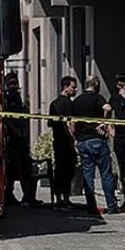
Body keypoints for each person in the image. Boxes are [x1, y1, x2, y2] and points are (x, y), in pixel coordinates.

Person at [73, 76, 122, 214]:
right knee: (106, 174)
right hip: (97, 140)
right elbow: (108, 107)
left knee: (88, 175)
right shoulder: (97, 97)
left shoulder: (77, 101)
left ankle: (91, 207)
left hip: (83, 141)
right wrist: (103, 121)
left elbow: (71, 123)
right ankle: (112, 206)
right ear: (96, 84)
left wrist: (75, 138)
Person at [1, 73, 37, 206]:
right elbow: (5, 116)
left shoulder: (17, 97)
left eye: (15, 83)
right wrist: (14, 130)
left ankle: (27, 196)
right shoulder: (6, 97)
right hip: (11, 139)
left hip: (21, 137)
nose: (13, 86)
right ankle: (11, 195)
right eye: (10, 83)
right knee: (14, 169)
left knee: (25, 167)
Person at [48, 76, 78, 209]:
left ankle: (58, 198)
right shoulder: (69, 104)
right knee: (68, 170)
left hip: (57, 141)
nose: (75, 89)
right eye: (73, 87)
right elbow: (70, 123)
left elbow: (51, 124)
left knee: (59, 169)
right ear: (65, 87)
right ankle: (65, 198)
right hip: (67, 142)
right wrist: (75, 139)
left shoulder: (53, 104)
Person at [110, 73, 125, 208]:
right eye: (119, 83)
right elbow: (107, 111)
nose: (121, 86)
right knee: (122, 167)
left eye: (124, 83)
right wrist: (109, 128)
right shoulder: (114, 98)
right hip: (119, 135)